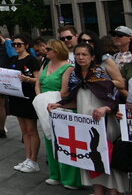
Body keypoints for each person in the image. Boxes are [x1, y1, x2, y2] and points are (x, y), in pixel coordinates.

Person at [49, 43, 126, 195]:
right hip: (85, 126)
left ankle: (114, 192)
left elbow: (114, 100)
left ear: (92, 57)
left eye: (84, 54)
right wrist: (57, 105)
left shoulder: (100, 74)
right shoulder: (75, 76)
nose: (81, 57)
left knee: (108, 159)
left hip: (104, 124)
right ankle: (97, 192)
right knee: (91, 160)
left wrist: (105, 108)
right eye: (77, 54)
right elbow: (74, 99)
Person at [35, 39, 81, 189]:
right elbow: (38, 83)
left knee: (66, 142)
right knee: (50, 140)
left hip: (61, 106)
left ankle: (70, 179)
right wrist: (40, 98)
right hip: (44, 105)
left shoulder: (68, 67)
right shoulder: (46, 64)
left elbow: (65, 90)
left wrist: (53, 101)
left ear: (56, 51)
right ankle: (55, 174)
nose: (45, 51)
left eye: (48, 49)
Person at [7, 34, 40, 173]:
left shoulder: (32, 60)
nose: (16, 46)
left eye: (19, 44)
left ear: (26, 45)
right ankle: (27, 157)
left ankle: (34, 159)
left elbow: (38, 79)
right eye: (14, 44)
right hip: (17, 96)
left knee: (31, 129)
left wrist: (27, 79)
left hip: (29, 96)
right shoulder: (13, 59)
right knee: (24, 130)